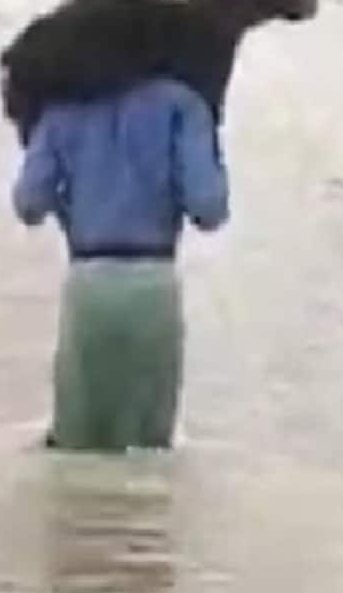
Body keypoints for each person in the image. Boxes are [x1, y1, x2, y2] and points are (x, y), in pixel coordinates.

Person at [13, 75, 229, 454]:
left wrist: (68, 207)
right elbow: (208, 210)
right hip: (153, 281)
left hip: (89, 283)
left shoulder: (62, 108)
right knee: (148, 451)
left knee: (75, 448)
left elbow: (29, 204)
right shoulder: (183, 105)